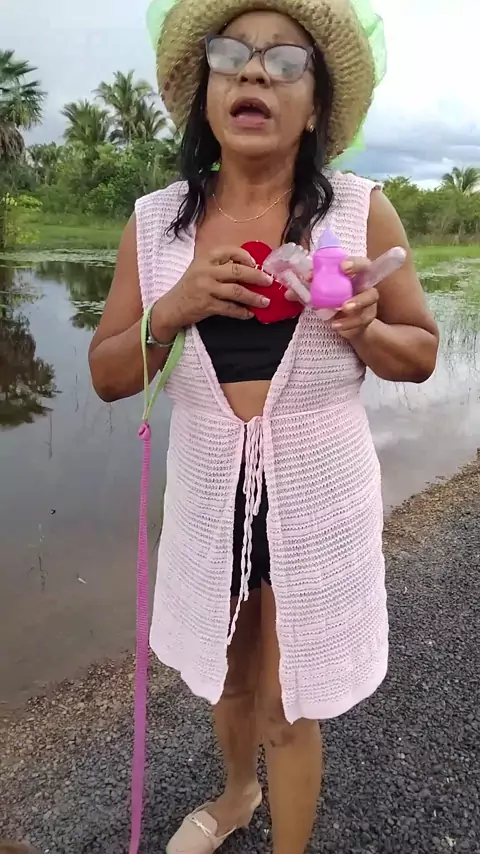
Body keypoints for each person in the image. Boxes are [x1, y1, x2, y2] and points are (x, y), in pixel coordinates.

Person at [89, 0, 439, 851]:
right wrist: (173, 309)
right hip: (211, 493)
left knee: (287, 700)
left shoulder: (358, 212)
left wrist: (365, 328)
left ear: (314, 107)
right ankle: (238, 794)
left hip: (318, 496)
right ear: (206, 94)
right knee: (229, 680)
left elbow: (422, 353)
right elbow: (106, 373)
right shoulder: (154, 224)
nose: (254, 72)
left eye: (286, 62)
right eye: (231, 56)